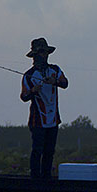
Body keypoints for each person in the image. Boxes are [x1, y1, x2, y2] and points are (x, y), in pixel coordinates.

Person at [20, 37, 68, 179]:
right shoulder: (28, 75)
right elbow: (23, 96)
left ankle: (46, 178)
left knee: (49, 151)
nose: (45, 55)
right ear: (35, 55)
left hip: (53, 119)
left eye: (46, 52)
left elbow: (65, 83)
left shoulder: (55, 69)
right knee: (37, 150)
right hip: (37, 120)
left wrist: (55, 82)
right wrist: (33, 90)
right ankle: (35, 178)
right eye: (42, 53)